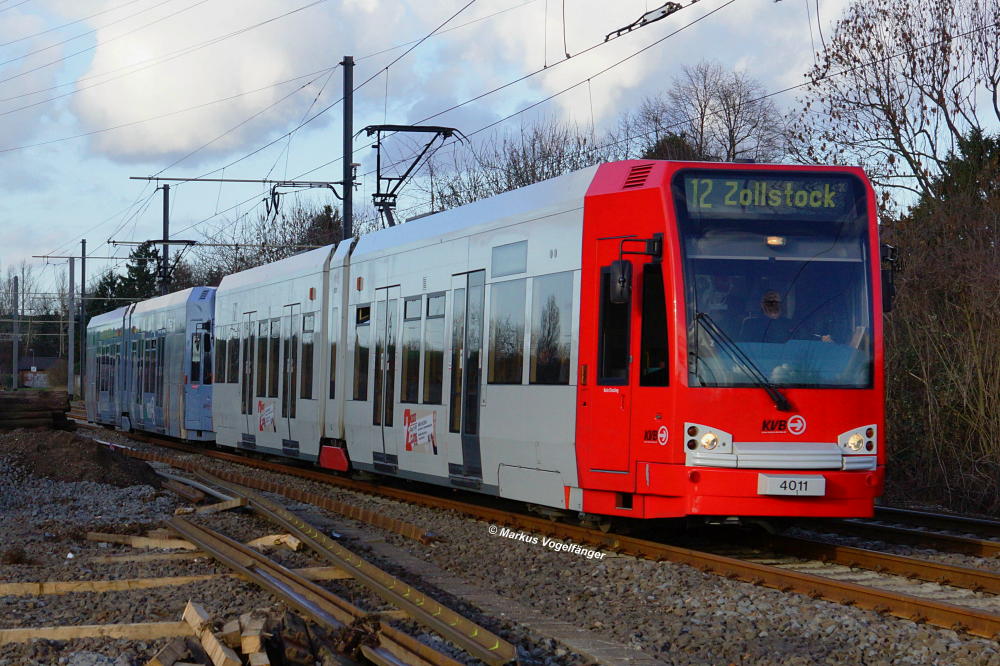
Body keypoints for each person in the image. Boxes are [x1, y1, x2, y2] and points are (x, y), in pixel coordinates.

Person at [739, 290, 833, 343]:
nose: (773, 305)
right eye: (769, 302)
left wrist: (823, 339)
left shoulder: (791, 325)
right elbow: (742, 349)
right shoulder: (750, 325)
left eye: (776, 302)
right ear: (762, 305)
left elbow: (806, 338)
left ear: (782, 304)